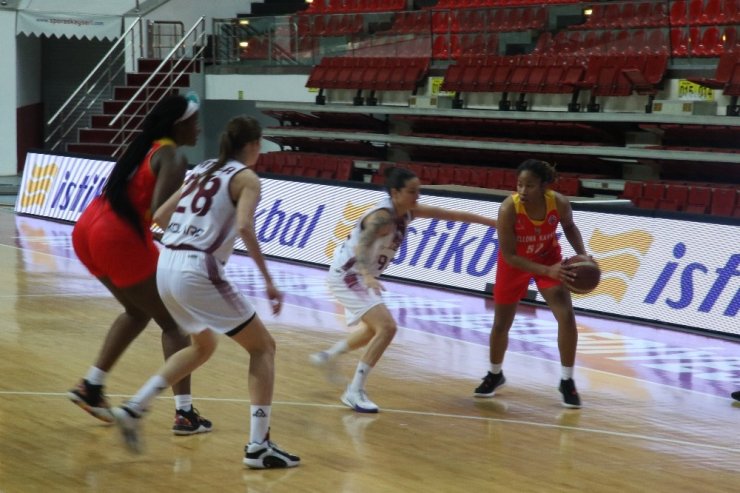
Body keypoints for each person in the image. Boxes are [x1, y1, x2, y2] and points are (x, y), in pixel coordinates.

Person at [110, 115, 300, 469]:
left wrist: (192, 230)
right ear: (255, 145)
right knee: (263, 348)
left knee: (203, 345)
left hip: (167, 264)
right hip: (198, 269)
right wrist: (269, 280)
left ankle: (135, 407)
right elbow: (244, 226)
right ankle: (259, 446)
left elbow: (161, 216)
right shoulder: (247, 178)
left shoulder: (204, 169)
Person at [68, 94, 212, 435]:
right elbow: (163, 214)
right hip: (119, 237)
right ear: (178, 124)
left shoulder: (147, 147)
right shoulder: (173, 157)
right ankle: (185, 414)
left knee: (137, 311)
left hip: (88, 227)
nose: (199, 127)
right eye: (194, 121)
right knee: (176, 324)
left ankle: (91, 385)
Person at [310, 166, 498, 413]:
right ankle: (354, 391)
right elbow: (362, 247)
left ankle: (329, 357)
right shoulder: (381, 217)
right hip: (350, 275)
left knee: (372, 330)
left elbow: (451, 214)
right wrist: (367, 275)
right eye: (412, 192)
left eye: (418, 191)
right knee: (387, 327)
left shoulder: (407, 212)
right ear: (395, 192)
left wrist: (493, 222)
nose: (417, 197)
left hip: (358, 276)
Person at [473, 159, 588, 409]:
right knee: (501, 324)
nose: (523, 191)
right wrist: (548, 270)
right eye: (520, 185)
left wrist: (583, 254)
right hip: (515, 264)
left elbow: (569, 226)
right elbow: (510, 255)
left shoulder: (558, 203)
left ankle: (567, 381)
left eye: (530, 186)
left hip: (549, 257)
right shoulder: (508, 209)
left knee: (566, 317)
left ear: (544, 186)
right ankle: (495, 374)